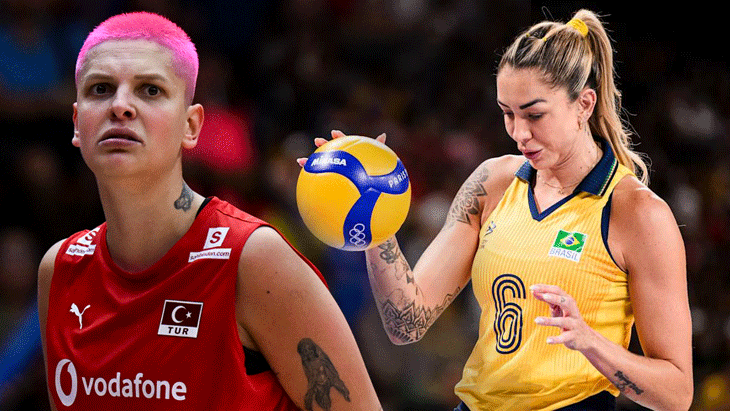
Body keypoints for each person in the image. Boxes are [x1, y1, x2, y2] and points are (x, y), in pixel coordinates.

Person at [302, 9, 693, 411]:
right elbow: (407, 322)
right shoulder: (493, 182)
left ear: (584, 104)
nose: (519, 133)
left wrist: (591, 342)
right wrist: (371, 213)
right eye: (508, 113)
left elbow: (677, 394)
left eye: (534, 114)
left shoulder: (638, 213)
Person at [37, 11, 382, 411]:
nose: (121, 106)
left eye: (150, 90)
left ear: (191, 126)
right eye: (101, 89)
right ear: (77, 123)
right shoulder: (60, 270)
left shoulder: (254, 260)